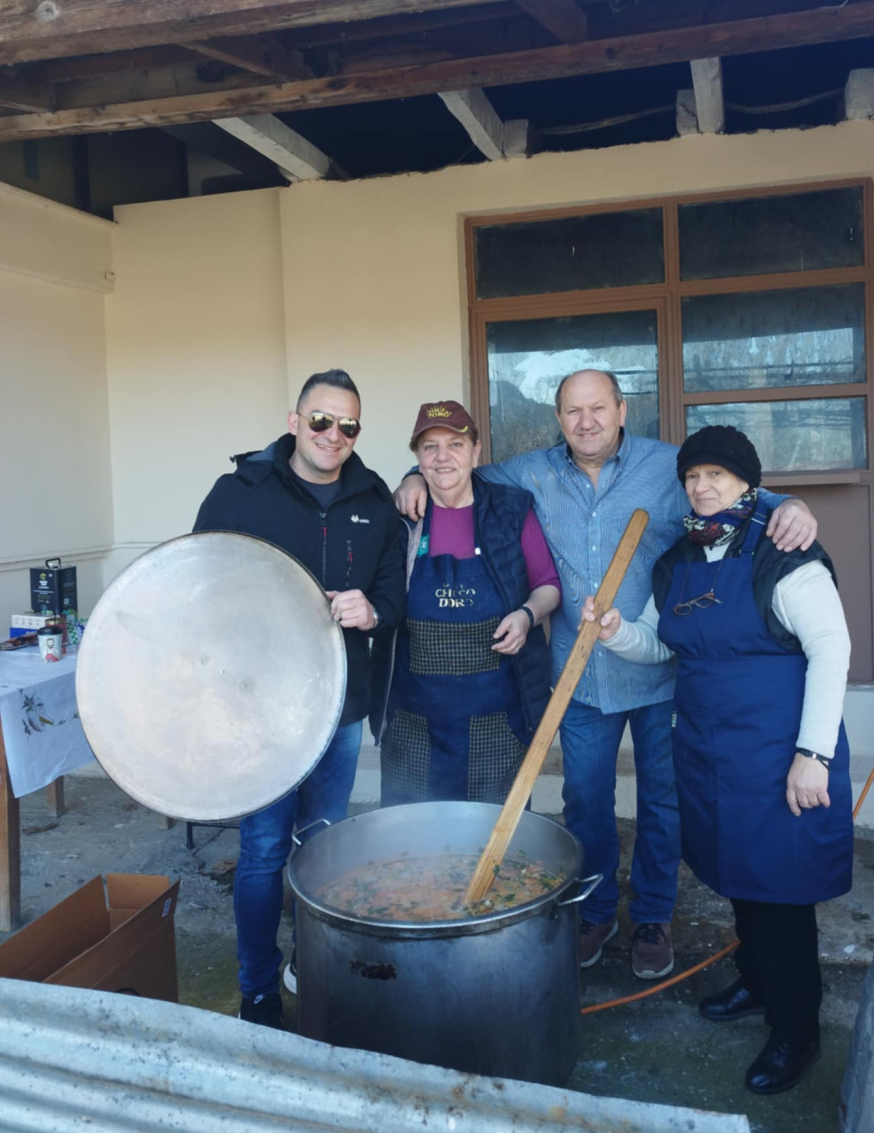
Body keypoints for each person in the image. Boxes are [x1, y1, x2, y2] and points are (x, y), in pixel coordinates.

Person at [395, 369, 817, 981]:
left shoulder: (668, 467)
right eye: (573, 410)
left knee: (662, 802)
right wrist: (410, 477)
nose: (586, 421)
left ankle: (652, 916)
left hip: (659, 669)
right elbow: (453, 469)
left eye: (598, 408)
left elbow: (735, 493)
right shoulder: (531, 472)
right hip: (580, 676)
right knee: (586, 801)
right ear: (558, 418)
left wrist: (791, 504)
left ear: (622, 410)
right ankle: (594, 911)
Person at [583, 424, 852, 1094]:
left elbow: (833, 648)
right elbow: (661, 644)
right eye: (693, 476)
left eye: (717, 476)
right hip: (708, 749)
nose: (702, 487)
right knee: (738, 875)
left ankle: (796, 1029)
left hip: (778, 750)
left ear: (746, 483)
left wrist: (813, 754)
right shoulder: (680, 558)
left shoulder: (782, 549)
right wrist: (616, 633)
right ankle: (757, 983)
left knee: (781, 891)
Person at [194, 367, 405, 1030]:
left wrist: (372, 611)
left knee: (322, 841)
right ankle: (258, 987)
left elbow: (393, 597)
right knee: (263, 849)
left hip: (340, 706)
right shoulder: (240, 491)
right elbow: (198, 586)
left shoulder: (375, 501)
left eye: (348, 425)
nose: (333, 434)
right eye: (320, 419)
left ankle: (311, 962)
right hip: (259, 710)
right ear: (294, 421)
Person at [373, 401, 560, 805]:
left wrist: (526, 616)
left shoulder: (511, 510)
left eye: (455, 445)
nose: (443, 457)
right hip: (413, 723)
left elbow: (548, 585)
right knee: (412, 832)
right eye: (430, 447)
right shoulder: (400, 519)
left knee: (494, 834)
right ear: (418, 458)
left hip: (497, 721)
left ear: (476, 452)